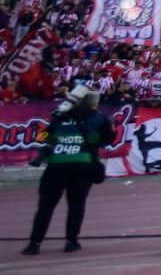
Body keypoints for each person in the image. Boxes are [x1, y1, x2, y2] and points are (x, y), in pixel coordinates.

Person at [24, 88, 114, 256]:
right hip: (83, 166)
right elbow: (109, 139)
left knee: (45, 206)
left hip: (56, 166)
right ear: (94, 103)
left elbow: (42, 137)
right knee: (76, 204)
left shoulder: (60, 116)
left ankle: (34, 244)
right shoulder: (100, 118)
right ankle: (71, 242)